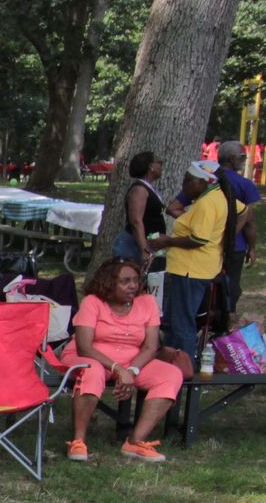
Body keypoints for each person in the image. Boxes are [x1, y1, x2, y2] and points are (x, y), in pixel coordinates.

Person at [62, 258, 182, 465]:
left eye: (135, 280)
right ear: (109, 283)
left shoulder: (147, 302)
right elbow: (85, 347)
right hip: (90, 356)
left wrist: (133, 370)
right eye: (125, 281)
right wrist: (118, 369)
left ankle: (135, 441)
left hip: (131, 359)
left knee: (170, 374)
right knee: (92, 371)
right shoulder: (93, 302)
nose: (133, 286)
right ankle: (78, 441)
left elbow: (150, 346)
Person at [148, 159, 243, 360]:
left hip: (190, 270)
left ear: (202, 182)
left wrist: (168, 241)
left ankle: (184, 367)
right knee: (175, 320)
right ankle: (170, 362)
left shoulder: (207, 203)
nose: (184, 185)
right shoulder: (217, 197)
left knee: (182, 322)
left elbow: (198, 239)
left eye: (188, 180)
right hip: (196, 268)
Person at [215, 140, 261, 314]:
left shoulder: (206, 179)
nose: (244, 160)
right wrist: (252, 247)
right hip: (235, 244)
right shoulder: (245, 184)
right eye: (242, 157)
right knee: (231, 284)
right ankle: (226, 319)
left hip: (206, 240)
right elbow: (249, 221)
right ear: (232, 159)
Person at [111, 152, 167, 266]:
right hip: (134, 245)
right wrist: (144, 249)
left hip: (149, 242)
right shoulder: (139, 190)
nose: (161, 166)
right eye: (159, 162)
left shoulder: (148, 187)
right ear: (151, 166)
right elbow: (136, 221)